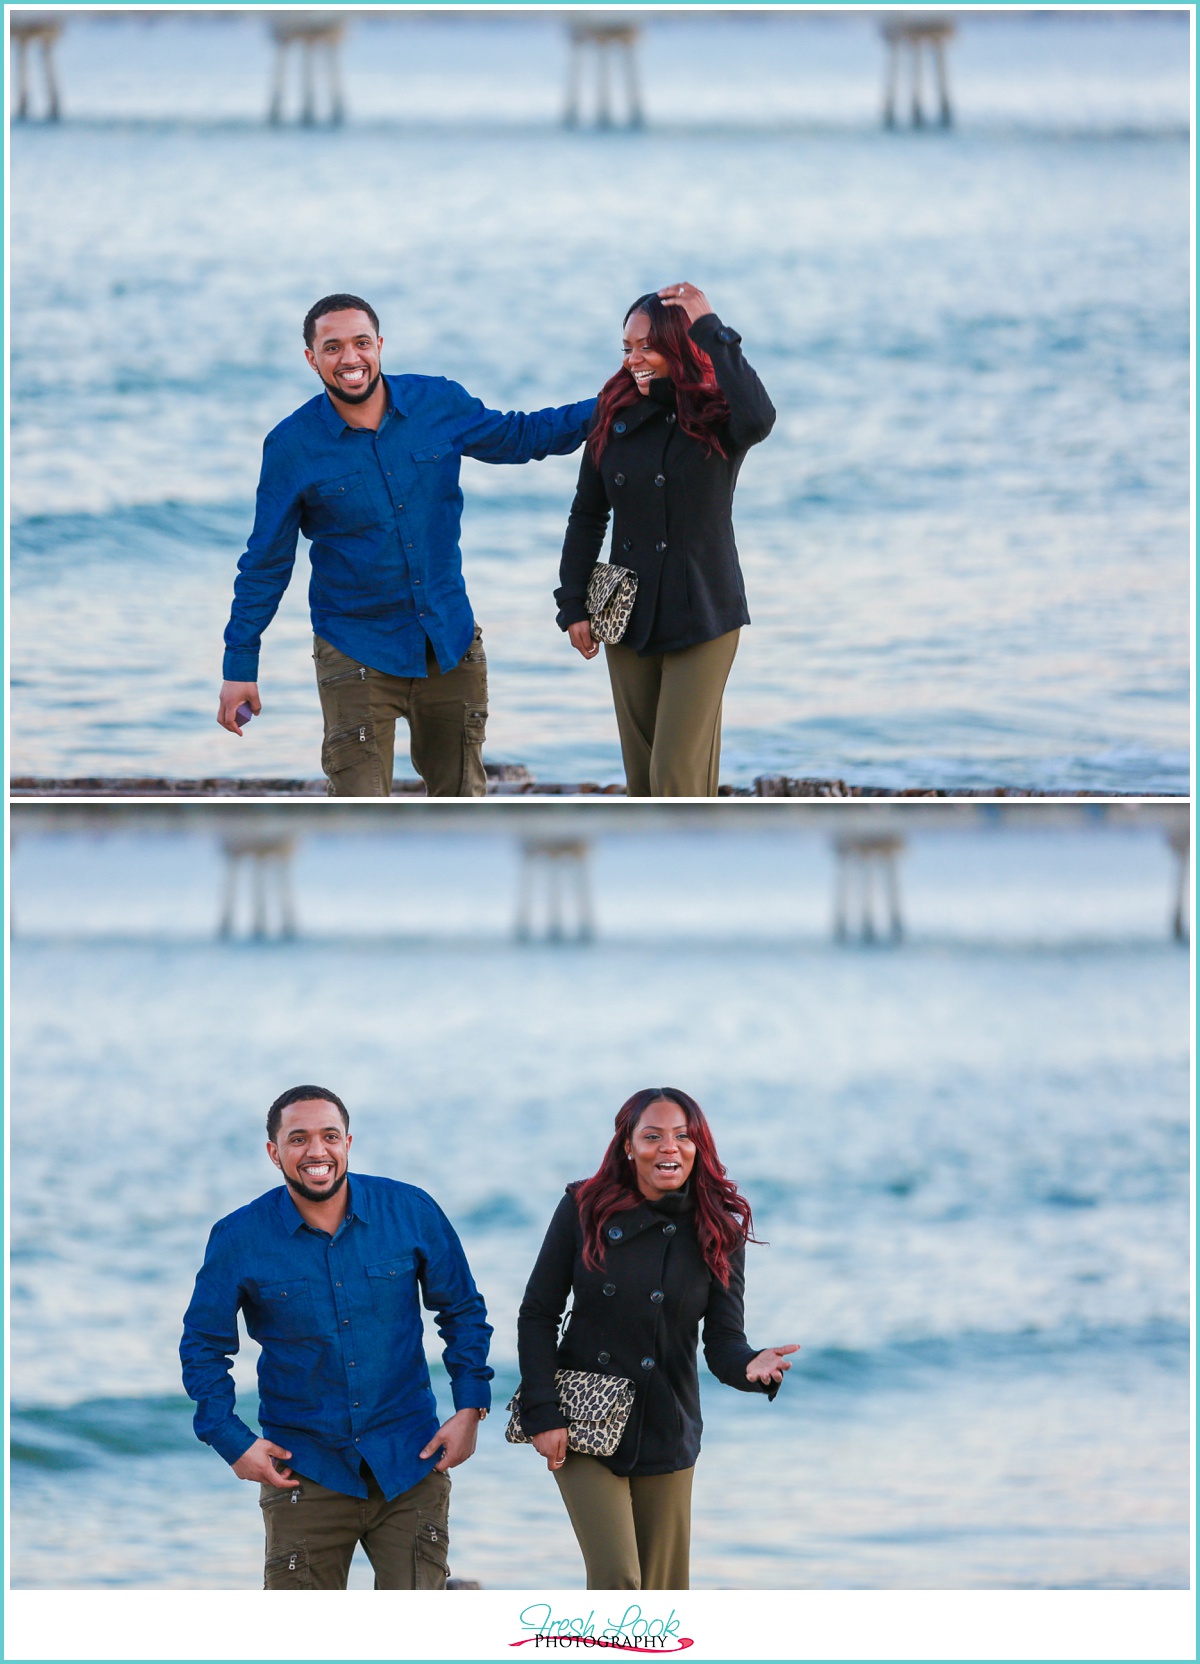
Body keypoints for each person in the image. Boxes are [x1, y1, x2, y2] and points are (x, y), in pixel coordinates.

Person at [219, 294, 595, 797]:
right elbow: (266, 562)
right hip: (355, 649)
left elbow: (524, 436)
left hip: (450, 642)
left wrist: (615, 400)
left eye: (361, 343)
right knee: (359, 817)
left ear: (380, 346)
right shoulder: (291, 446)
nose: (350, 358)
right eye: (332, 348)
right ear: (312, 359)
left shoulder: (437, 403)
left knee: (462, 806)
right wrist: (239, 665)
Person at [180, 1084, 492, 1589]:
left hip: (409, 1461)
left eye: (329, 1136)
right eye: (297, 1139)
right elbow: (202, 1346)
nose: (316, 1151)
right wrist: (230, 1439)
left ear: (348, 1142)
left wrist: (469, 1409)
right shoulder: (238, 1237)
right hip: (304, 1471)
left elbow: (461, 1311)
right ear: (274, 1152)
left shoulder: (410, 1211)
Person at [515, 1088, 798, 1590]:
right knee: (618, 1578)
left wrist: (752, 1366)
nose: (669, 1147)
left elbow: (724, 1342)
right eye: (652, 1136)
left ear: (698, 1146)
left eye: (683, 1136)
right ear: (628, 1145)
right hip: (584, 1421)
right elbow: (539, 1312)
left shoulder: (719, 1231)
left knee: (665, 1590)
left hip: (666, 1422)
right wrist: (542, 1411)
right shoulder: (583, 1207)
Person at [555, 283, 775, 797]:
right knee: (641, 785)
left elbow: (761, 416)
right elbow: (587, 515)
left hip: (703, 611)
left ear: (678, 346)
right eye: (627, 348)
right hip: (623, 613)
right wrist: (573, 605)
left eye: (647, 346)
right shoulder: (610, 412)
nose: (635, 359)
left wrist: (713, 330)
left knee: (676, 781)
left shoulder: (718, 416)